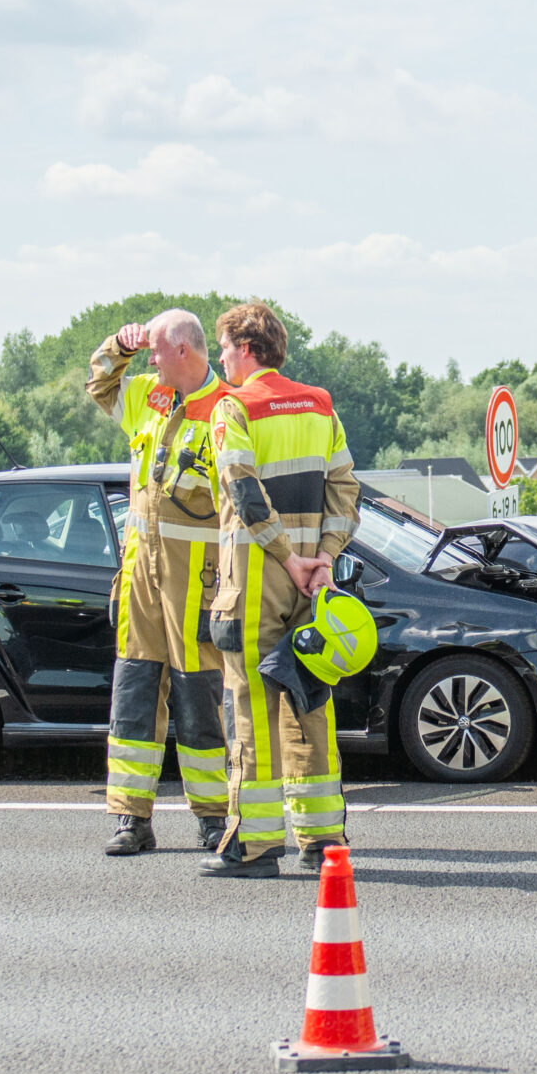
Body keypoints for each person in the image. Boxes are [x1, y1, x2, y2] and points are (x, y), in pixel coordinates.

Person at [203, 302, 362, 877]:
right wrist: (324, 558)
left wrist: (287, 557)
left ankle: (253, 844)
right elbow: (345, 488)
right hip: (312, 580)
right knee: (310, 699)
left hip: (258, 575)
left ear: (246, 348)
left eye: (225, 348)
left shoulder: (234, 407)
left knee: (251, 704)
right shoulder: (320, 406)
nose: (221, 359)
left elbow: (243, 491)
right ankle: (322, 839)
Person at [86, 311, 231, 856]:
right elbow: (99, 382)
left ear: (184, 351)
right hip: (141, 580)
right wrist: (119, 346)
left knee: (199, 700)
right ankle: (131, 817)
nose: (149, 360)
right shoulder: (151, 395)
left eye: (155, 350)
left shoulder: (225, 410)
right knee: (134, 695)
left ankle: (213, 818)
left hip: (197, 583)